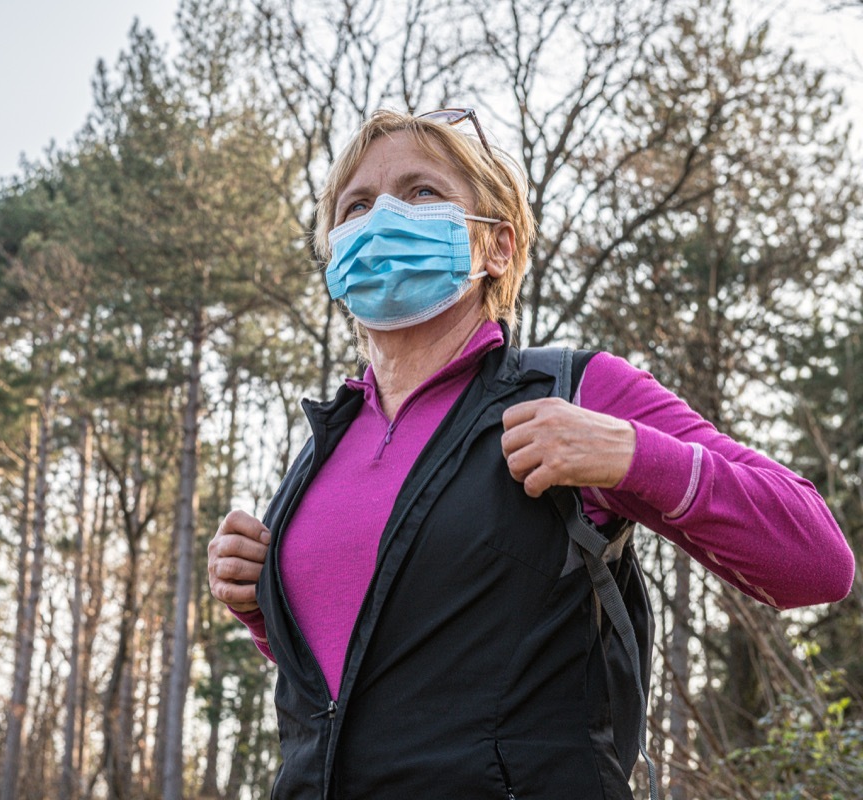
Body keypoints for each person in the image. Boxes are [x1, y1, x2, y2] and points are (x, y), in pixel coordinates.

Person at [206, 107, 856, 800]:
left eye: (422, 192)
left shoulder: (575, 390)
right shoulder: (321, 450)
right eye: (356, 205)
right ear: (335, 255)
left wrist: (633, 454)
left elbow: (818, 561)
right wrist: (263, 607)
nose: (382, 219)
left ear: (499, 248)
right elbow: (375, 685)